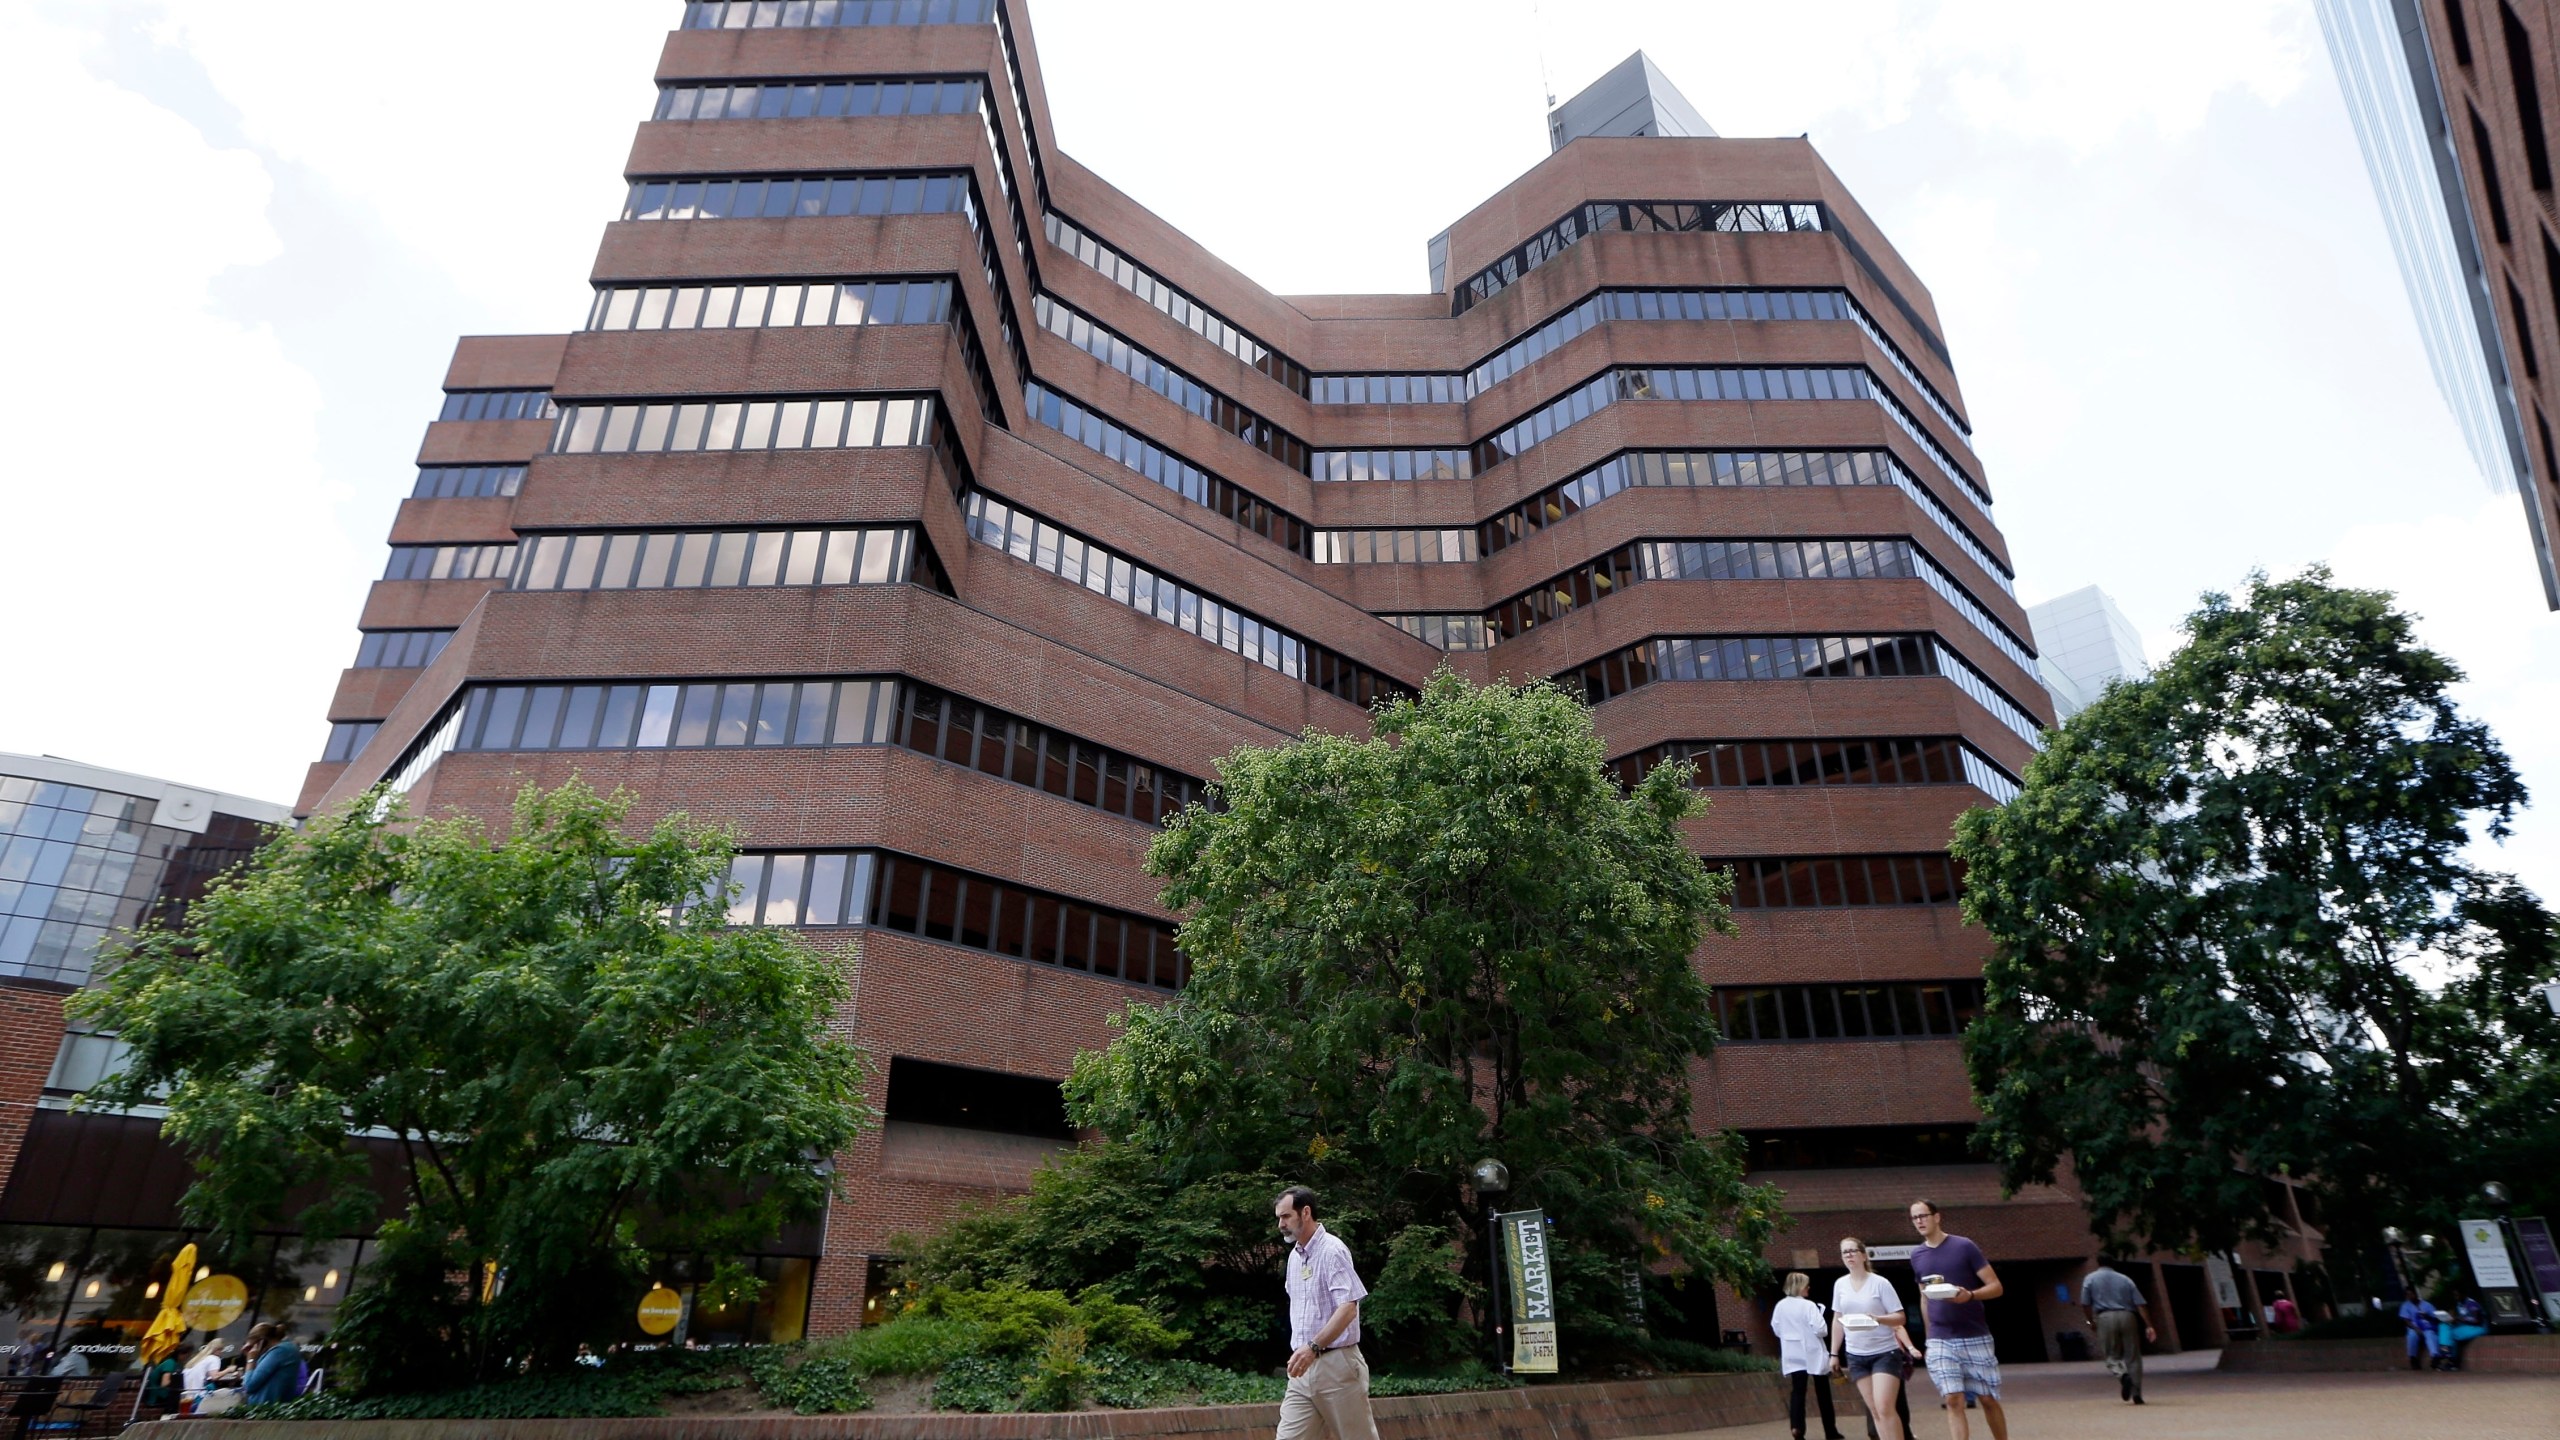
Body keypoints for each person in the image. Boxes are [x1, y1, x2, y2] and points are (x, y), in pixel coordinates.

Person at [1271, 1186, 1379, 1440]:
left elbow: (1348, 1308)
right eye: (1279, 1218)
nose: (1280, 1225)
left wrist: (1313, 1347)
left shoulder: (1333, 1251)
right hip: (1302, 1370)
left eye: (1286, 1217)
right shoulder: (1294, 1259)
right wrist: (1305, 1351)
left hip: (1337, 1366)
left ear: (1305, 1212)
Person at [1908, 1199, 2006, 1440]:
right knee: (1953, 1400)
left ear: (1937, 1217)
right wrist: (1929, 1337)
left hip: (1975, 1335)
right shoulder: (1917, 1255)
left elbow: (1996, 1287)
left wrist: (1970, 1295)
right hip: (1941, 1339)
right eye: (1914, 1218)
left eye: (1923, 1215)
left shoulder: (1964, 1246)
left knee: (1987, 1398)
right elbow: (1924, 1298)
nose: (1919, 1221)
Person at [1831, 1237, 1918, 1440]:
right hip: (1856, 1355)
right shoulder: (1840, 1285)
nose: (1849, 1255)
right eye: (1845, 1252)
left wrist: (1878, 1319)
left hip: (1884, 1352)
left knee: (1885, 1407)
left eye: (1853, 1251)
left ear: (1863, 1255)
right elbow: (1838, 1319)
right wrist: (1833, 1353)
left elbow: (1900, 1317)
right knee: (1875, 1411)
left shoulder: (1880, 1283)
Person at [1773, 1272, 1845, 1440]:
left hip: (1792, 1352)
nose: (1808, 1288)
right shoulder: (1809, 1306)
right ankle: (1830, 1430)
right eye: (1806, 1285)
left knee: (1798, 1391)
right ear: (1799, 1287)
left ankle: (1796, 1426)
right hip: (1812, 1352)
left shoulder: (1780, 1306)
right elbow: (1821, 1330)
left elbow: (1776, 1329)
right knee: (1823, 1393)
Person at [2077, 1255, 2156, 1404]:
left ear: (2098, 1263)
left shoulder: (2090, 1278)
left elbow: (2085, 1303)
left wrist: (2091, 1321)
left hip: (2105, 1317)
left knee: (2111, 1355)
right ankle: (2137, 1393)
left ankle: (2123, 1375)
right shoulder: (2125, 1279)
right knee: (2133, 1355)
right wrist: (2149, 1325)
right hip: (2128, 1316)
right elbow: (2140, 1303)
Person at [239, 1323, 304, 1405]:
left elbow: (249, 1386)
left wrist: (250, 1360)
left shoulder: (279, 1351)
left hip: (265, 1408)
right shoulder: (285, 1349)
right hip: (272, 1406)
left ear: (262, 1341)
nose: (252, 1350)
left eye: (253, 1346)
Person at [2397, 1293, 2438, 1371]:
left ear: (2415, 1294)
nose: (2410, 1296)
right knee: (2412, 1335)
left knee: (2430, 1334)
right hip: (2414, 1327)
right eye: (2408, 1295)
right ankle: (2413, 1358)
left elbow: (2435, 1318)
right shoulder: (2405, 1306)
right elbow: (2406, 1321)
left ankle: (2435, 1357)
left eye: (2411, 1294)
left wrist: (2427, 1316)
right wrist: (2416, 1329)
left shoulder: (2427, 1305)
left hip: (2427, 1326)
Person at [182, 1340, 229, 1406]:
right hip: (199, 1398)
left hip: (187, 1399)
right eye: (221, 1350)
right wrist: (229, 1370)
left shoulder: (196, 1360)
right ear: (216, 1349)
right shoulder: (214, 1358)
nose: (221, 1353)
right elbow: (215, 1377)